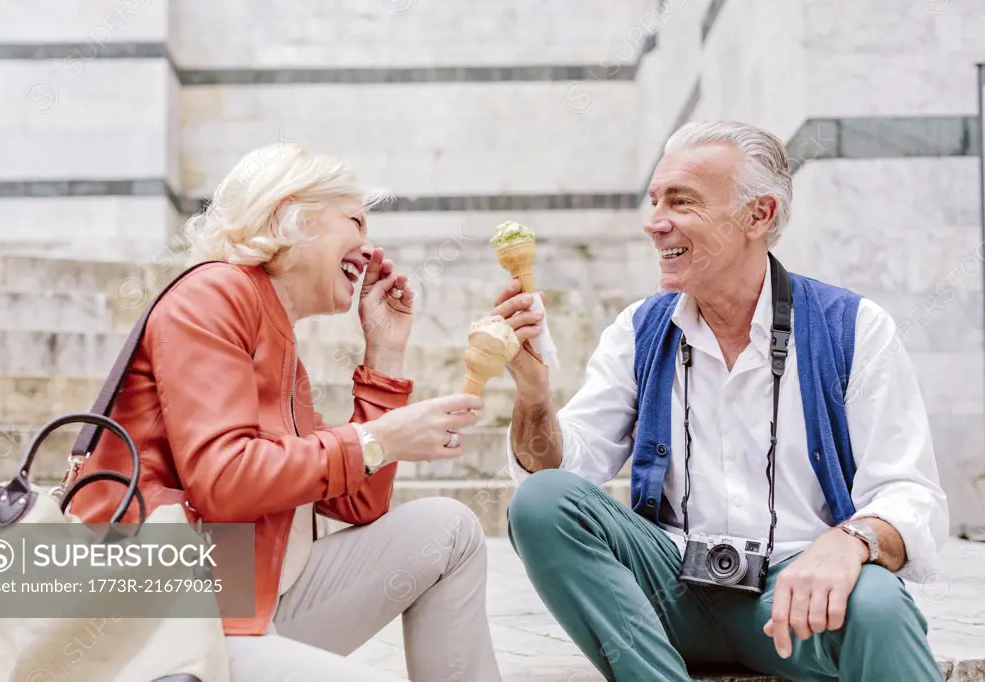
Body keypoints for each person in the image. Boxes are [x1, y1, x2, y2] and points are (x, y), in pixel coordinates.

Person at [494, 120, 950, 681]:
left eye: (681, 202)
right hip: (669, 597)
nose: (655, 222)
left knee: (880, 605)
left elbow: (911, 495)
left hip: (798, 597)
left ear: (758, 215)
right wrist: (534, 394)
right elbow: (560, 473)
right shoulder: (639, 329)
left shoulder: (853, 328)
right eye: (655, 199)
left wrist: (851, 540)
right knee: (542, 501)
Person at [68, 143, 503, 682]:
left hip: (248, 599)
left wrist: (384, 356)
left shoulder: (278, 335)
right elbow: (224, 479)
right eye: (355, 222)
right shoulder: (215, 293)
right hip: (174, 624)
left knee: (451, 529)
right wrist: (379, 440)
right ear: (290, 217)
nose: (370, 249)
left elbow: (358, 504)